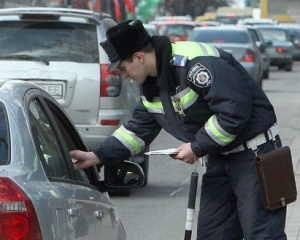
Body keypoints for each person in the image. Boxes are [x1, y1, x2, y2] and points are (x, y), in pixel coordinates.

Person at [70, 19, 287, 239]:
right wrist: (97, 156)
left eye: (123, 68)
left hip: (257, 155)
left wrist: (196, 146)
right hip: (221, 157)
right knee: (213, 234)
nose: (123, 75)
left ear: (138, 57)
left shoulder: (196, 64)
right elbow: (137, 130)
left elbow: (233, 111)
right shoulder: (153, 84)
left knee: (263, 234)